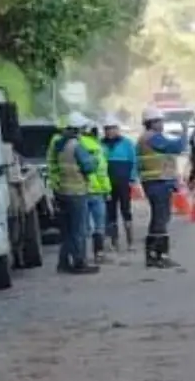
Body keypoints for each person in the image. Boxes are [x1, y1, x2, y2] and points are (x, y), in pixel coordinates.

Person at [49, 112, 100, 274]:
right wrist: (95, 160)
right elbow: (88, 167)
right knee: (79, 230)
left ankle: (63, 262)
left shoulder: (59, 145)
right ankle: (79, 262)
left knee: (67, 231)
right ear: (79, 129)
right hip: (77, 192)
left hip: (62, 191)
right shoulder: (76, 146)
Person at [136, 107, 186, 268]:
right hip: (157, 183)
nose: (162, 124)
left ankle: (153, 255)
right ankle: (160, 255)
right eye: (159, 121)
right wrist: (184, 133)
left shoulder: (147, 137)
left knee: (159, 218)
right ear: (151, 123)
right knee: (161, 219)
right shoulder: (152, 138)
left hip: (158, 182)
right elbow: (176, 147)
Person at [101, 115, 137, 253]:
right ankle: (114, 242)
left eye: (112, 128)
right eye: (107, 129)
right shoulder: (101, 144)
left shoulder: (127, 143)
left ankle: (130, 242)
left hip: (123, 182)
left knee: (126, 210)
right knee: (110, 213)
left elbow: (134, 162)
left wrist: (132, 179)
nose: (110, 131)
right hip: (107, 183)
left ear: (117, 129)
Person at [78, 120, 111, 263]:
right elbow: (102, 171)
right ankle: (99, 254)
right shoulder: (98, 147)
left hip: (83, 190)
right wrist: (107, 190)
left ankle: (83, 256)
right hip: (96, 191)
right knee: (98, 225)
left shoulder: (78, 144)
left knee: (86, 226)